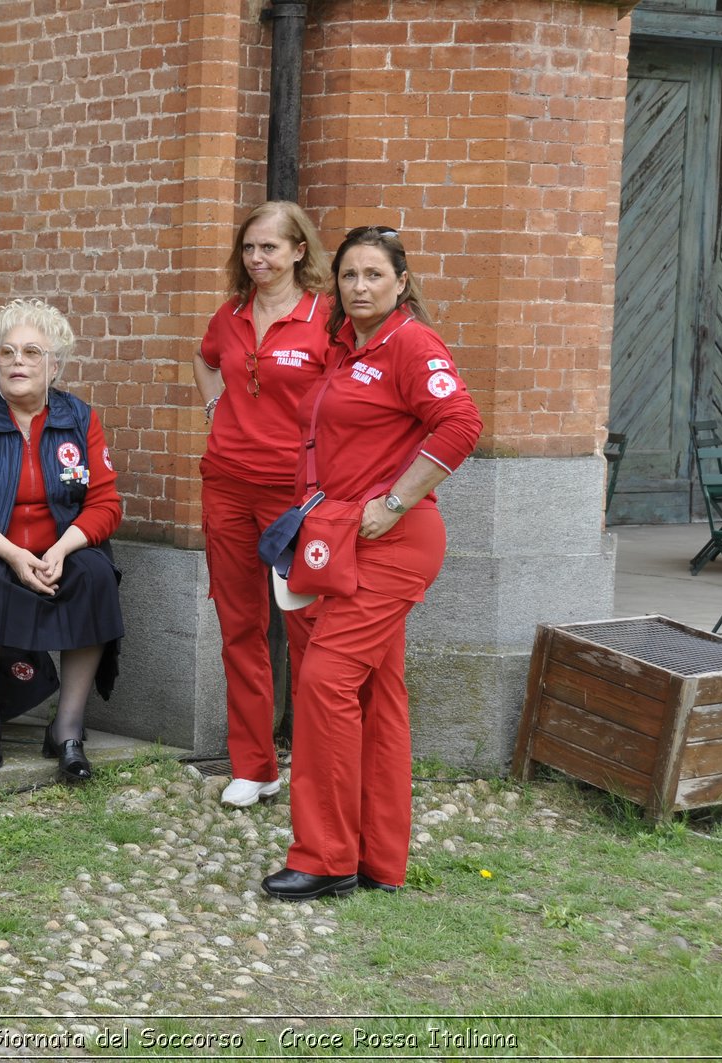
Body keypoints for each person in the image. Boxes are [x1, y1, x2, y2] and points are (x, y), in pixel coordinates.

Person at [260, 226, 482, 901]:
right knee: (376, 696)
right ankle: (379, 860)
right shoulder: (346, 346)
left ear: (401, 282)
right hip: (342, 539)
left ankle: (325, 856)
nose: (359, 286)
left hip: (393, 539)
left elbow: (461, 423)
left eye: (374, 275)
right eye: (350, 275)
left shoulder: (411, 343)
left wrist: (393, 499)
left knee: (325, 682)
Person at [0, 299, 124, 782]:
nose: (18, 362)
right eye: (7, 352)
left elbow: (105, 503)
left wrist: (60, 549)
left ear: (55, 364)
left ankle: (67, 728)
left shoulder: (80, 418)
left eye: (32, 352)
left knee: (95, 574)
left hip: (58, 550)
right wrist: (14, 553)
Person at [193, 202, 331, 808]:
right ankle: (255, 766)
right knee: (239, 627)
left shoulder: (326, 318)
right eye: (250, 248)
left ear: (300, 250)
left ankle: (320, 769)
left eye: (270, 248)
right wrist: (214, 409)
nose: (258, 259)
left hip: (294, 497)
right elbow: (202, 357)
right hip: (226, 485)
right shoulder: (230, 315)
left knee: (308, 629)